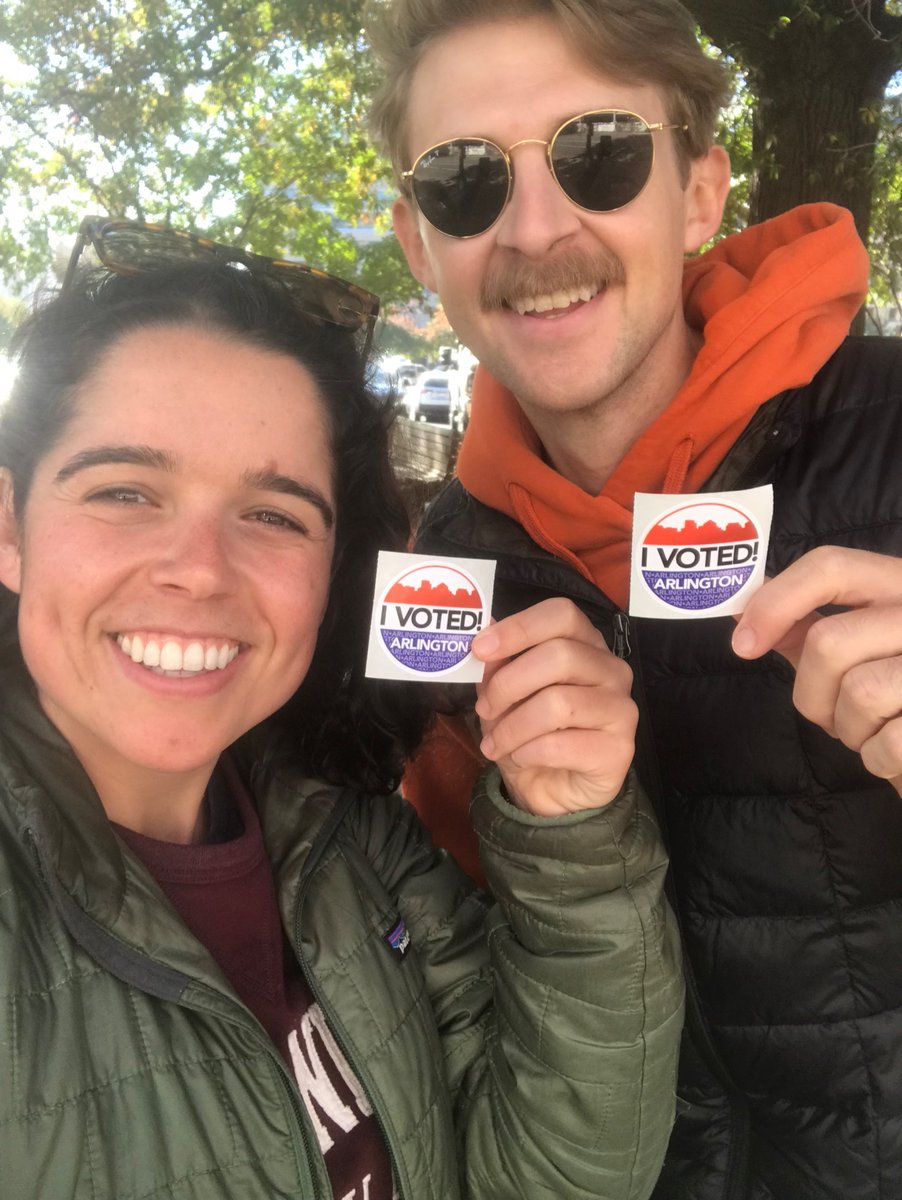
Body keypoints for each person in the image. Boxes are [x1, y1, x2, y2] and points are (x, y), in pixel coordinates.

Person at [0, 216, 682, 1200]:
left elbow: (552, 1176)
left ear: (332, 571)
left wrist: (569, 837)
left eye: (273, 515)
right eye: (123, 493)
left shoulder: (358, 843)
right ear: (13, 530)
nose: (198, 571)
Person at [365, 1, 902, 1196]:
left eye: (597, 151)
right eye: (463, 183)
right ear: (416, 244)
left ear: (699, 193)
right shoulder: (432, 589)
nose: (535, 230)